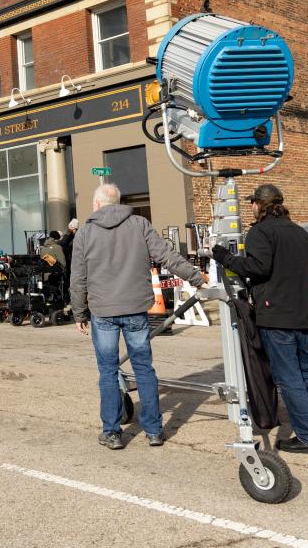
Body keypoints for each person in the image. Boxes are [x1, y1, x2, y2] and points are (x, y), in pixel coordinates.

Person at [71, 183, 206, 450]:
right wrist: (195, 276)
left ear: (97, 204)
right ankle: (154, 430)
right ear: (118, 202)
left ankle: (111, 432)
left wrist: (79, 312)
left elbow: (78, 278)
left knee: (108, 371)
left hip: (103, 312)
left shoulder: (85, 232)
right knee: (144, 368)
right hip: (135, 309)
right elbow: (166, 256)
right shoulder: (139, 224)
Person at [212, 183, 308, 457]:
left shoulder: (261, 231)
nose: (252, 208)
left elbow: (258, 267)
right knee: (306, 374)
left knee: (289, 378)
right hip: (305, 316)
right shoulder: (299, 232)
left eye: (253, 204)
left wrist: (226, 258)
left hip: (277, 317)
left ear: (259, 205)